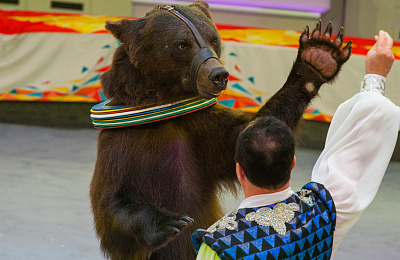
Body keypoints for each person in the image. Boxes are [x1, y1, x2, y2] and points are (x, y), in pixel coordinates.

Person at [192, 30, 400, 259]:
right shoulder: (322, 215)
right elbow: (360, 147)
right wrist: (376, 76)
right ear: (292, 163)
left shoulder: (220, 243)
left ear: (239, 170)